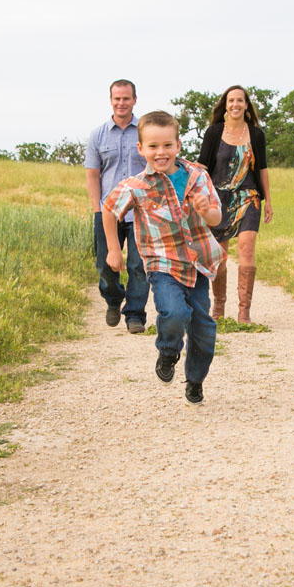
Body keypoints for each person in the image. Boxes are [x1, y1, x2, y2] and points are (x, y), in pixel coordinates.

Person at [102, 110, 224, 405]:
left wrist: (206, 209)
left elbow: (216, 218)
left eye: (167, 145)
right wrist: (114, 249)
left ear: (178, 145)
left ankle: (195, 379)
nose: (161, 152)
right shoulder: (137, 185)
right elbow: (109, 209)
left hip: (197, 264)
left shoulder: (197, 176)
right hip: (162, 262)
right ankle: (168, 351)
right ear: (141, 149)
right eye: (153, 146)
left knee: (204, 329)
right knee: (174, 313)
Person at [196, 85, 273, 324]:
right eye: (231, 101)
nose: (235, 105)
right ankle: (218, 309)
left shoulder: (257, 135)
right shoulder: (214, 132)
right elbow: (202, 168)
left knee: (247, 249)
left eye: (240, 100)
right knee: (219, 256)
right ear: (225, 105)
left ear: (246, 105)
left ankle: (244, 312)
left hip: (248, 197)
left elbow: (262, 169)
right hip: (218, 200)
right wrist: (199, 198)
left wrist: (268, 200)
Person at [85, 79, 150, 334]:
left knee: (138, 265)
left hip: (141, 211)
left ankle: (135, 314)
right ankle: (113, 298)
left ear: (134, 100)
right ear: (111, 100)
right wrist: (96, 209)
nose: (121, 103)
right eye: (117, 98)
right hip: (107, 211)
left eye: (126, 98)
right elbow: (93, 175)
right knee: (104, 263)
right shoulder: (98, 135)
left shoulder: (145, 131)